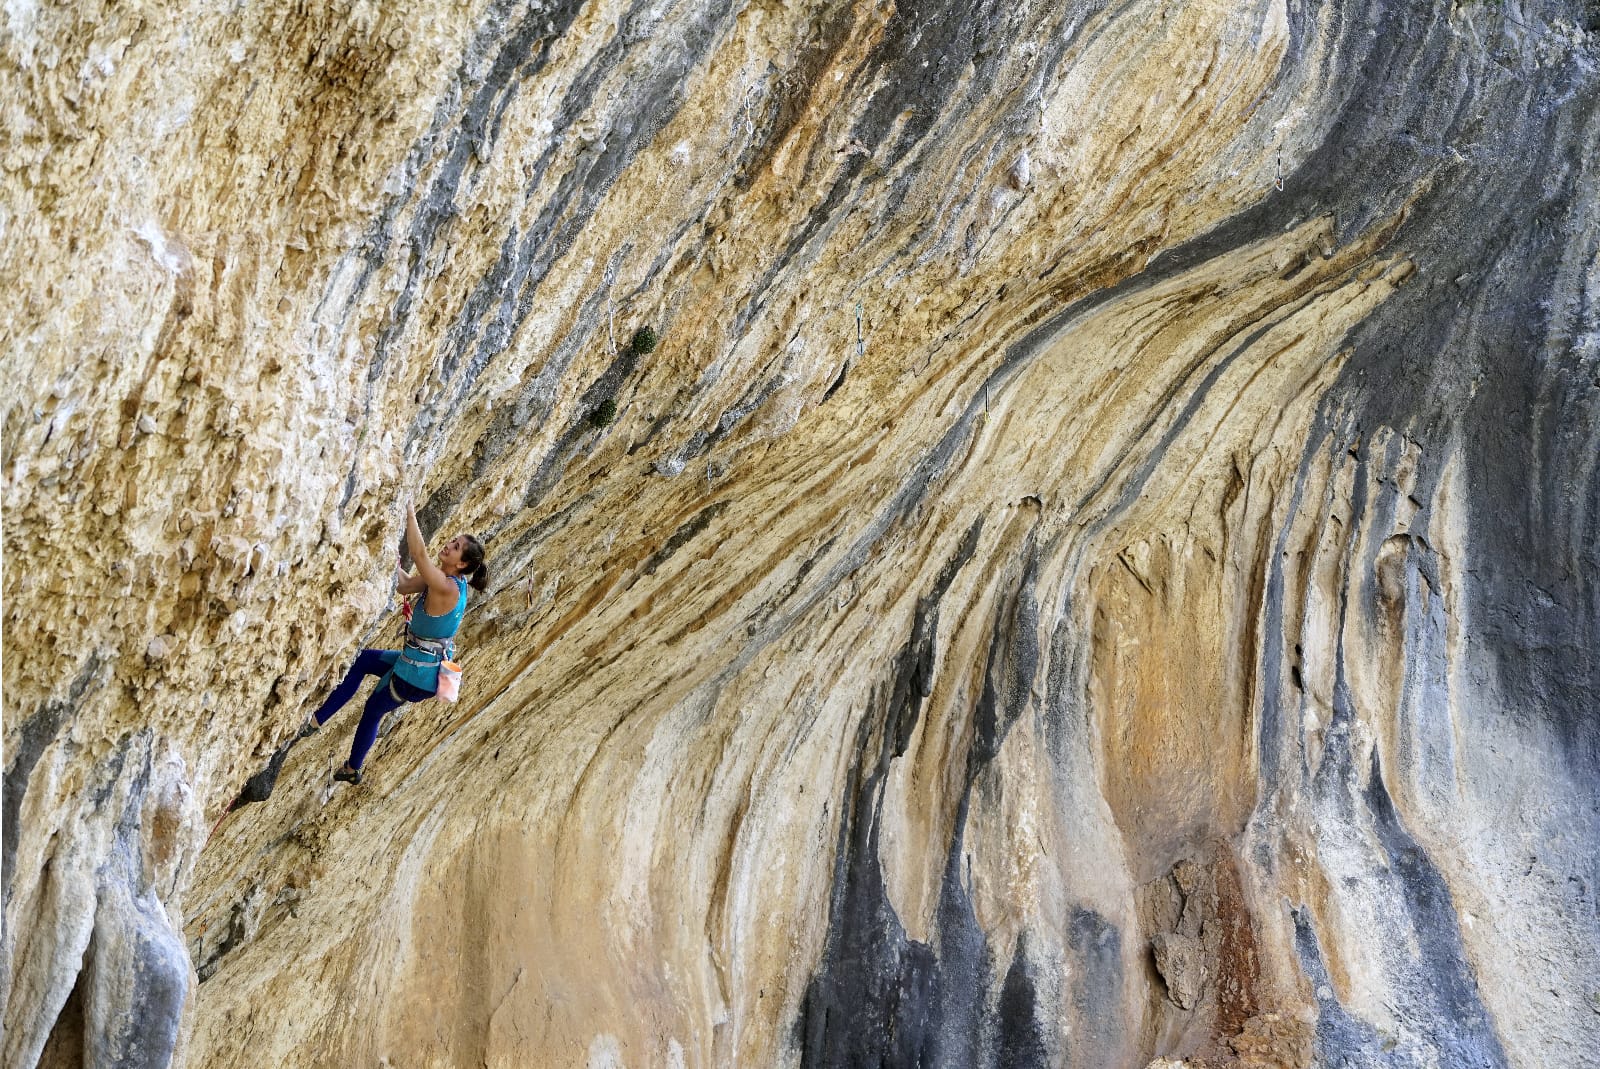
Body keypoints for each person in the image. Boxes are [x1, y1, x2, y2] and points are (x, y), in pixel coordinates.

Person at [299, 501, 489, 784]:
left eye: (456, 546)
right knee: (362, 660)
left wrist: (409, 512)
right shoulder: (443, 581)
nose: (449, 545)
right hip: (415, 663)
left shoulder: (447, 587)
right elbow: (403, 585)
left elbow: (419, 553)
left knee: (372, 711)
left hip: (415, 678)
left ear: (461, 564)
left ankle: (352, 768)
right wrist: (390, 557)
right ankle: (317, 721)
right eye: (452, 540)